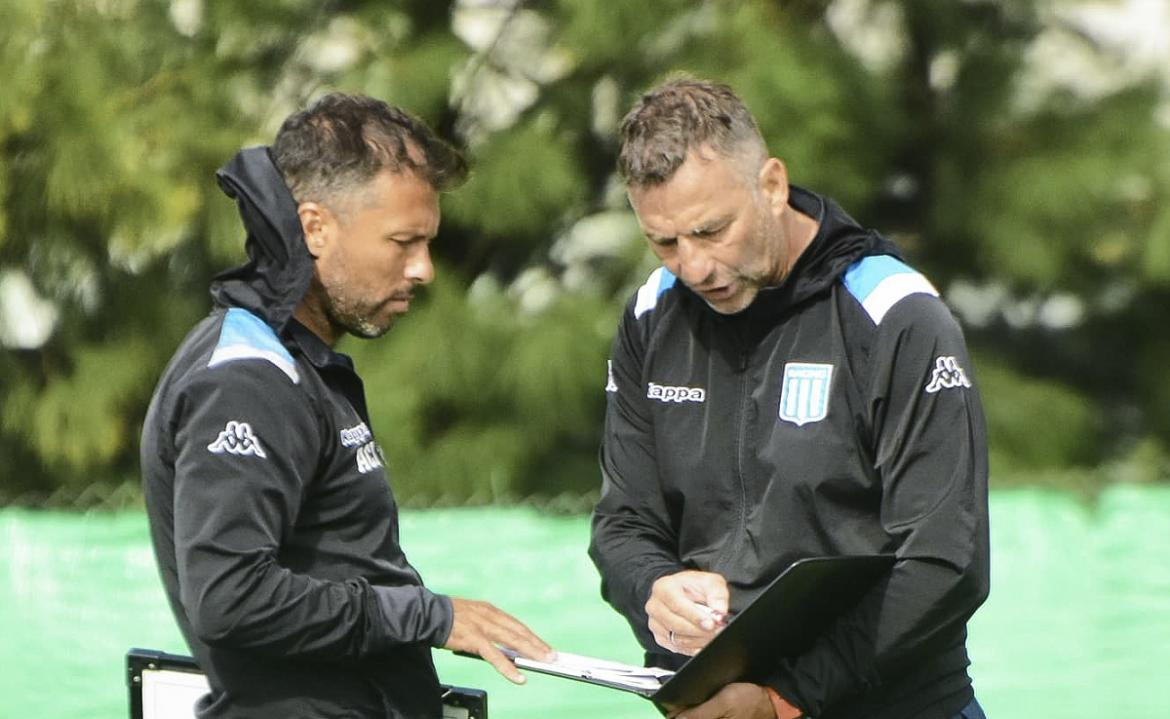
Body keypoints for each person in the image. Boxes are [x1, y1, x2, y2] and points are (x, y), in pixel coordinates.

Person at [140, 93, 553, 719]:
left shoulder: (298, 361)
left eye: (429, 243)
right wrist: (428, 615)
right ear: (315, 228)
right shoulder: (247, 379)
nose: (423, 269)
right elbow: (230, 597)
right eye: (402, 242)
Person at [589, 78, 990, 719]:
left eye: (711, 230)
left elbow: (947, 562)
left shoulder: (895, 315)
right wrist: (653, 588)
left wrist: (786, 697)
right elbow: (623, 523)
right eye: (664, 242)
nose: (692, 267)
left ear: (772, 185)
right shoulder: (650, 314)